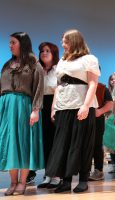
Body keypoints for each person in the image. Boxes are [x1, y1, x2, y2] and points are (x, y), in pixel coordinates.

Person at [45, 29, 100, 193]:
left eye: (66, 41)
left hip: (81, 105)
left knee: (81, 143)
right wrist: (54, 106)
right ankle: (66, 180)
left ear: (75, 41)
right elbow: (58, 85)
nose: (63, 44)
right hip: (64, 105)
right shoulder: (62, 60)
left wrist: (85, 105)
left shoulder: (89, 59)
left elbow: (93, 84)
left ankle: (83, 180)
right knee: (64, 144)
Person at [0, 32, 44, 195]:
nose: (10, 45)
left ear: (22, 44)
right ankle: (12, 182)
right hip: (6, 107)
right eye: (9, 42)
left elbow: (39, 88)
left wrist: (35, 110)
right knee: (9, 143)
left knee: (24, 143)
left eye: (13, 42)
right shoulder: (6, 65)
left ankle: (22, 182)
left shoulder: (33, 63)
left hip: (23, 106)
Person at [33, 42, 61, 189]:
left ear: (54, 53)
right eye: (42, 51)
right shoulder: (37, 69)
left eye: (47, 51)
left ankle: (56, 175)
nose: (44, 53)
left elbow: (59, 89)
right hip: (41, 105)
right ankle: (47, 174)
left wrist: (54, 109)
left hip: (54, 105)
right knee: (44, 141)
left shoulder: (58, 69)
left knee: (55, 140)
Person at [89, 69, 114, 181]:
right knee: (84, 145)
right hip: (82, 119)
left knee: (97, 144)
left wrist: (99, 111)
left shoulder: (102, 88)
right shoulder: (82, 86)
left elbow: (110, 103)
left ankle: (98, 171)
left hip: (97, 119)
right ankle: (85, 170)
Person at [103, 72, 115, 174]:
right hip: (108, 119)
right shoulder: (107, 92)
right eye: (112, 79)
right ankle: (113, 164)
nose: (113, 81)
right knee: (110, 145)